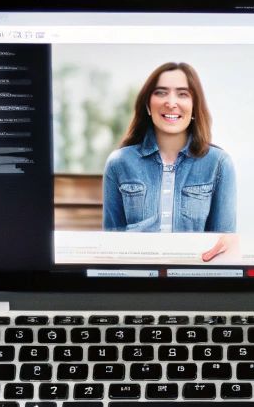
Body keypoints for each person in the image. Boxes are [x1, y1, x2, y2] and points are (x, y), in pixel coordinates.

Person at [101, 62, 238, 262]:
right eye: (161, 93)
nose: (171, 102)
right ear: (148, 105)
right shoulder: (119, 162)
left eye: (182, 94)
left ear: (194, 105)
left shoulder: (219, 163)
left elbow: (224, 245)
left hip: (196, 283)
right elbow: (110, 244)